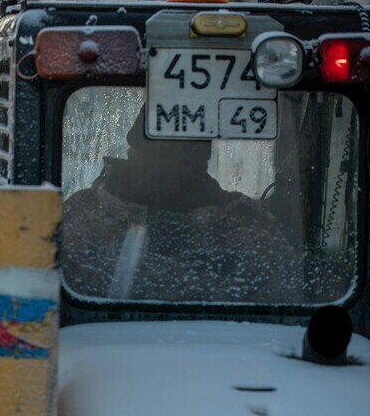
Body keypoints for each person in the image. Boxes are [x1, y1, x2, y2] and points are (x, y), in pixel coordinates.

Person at [61, 109, 301, 304]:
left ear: (201, 159)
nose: (166, 169)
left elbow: (284, 310)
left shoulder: (246, 225)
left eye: (180, 156)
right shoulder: (84, 214)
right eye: (155, 153)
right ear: (133, 154)